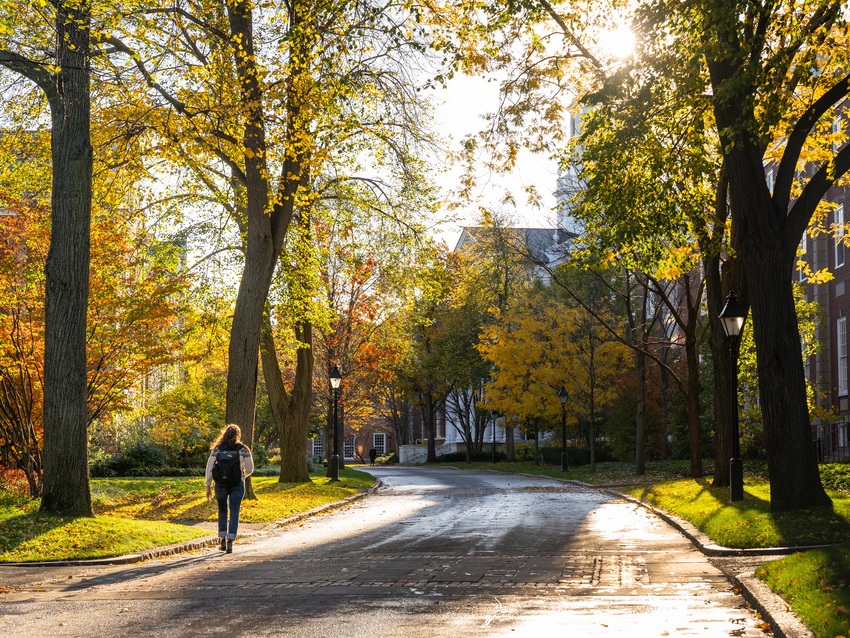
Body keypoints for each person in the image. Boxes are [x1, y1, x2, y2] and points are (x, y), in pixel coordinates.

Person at [205, 424, 254, 553]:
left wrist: (208, 485)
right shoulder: (243, 449)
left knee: (222, 510)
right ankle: (230, 540)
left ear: (224, 434)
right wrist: (242, 476)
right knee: (234, 512)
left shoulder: (217, 449)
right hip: (237, 484)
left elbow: (209, 468)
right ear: (238, 435)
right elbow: (250, 468)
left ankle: (222, 539)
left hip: (220, 484)